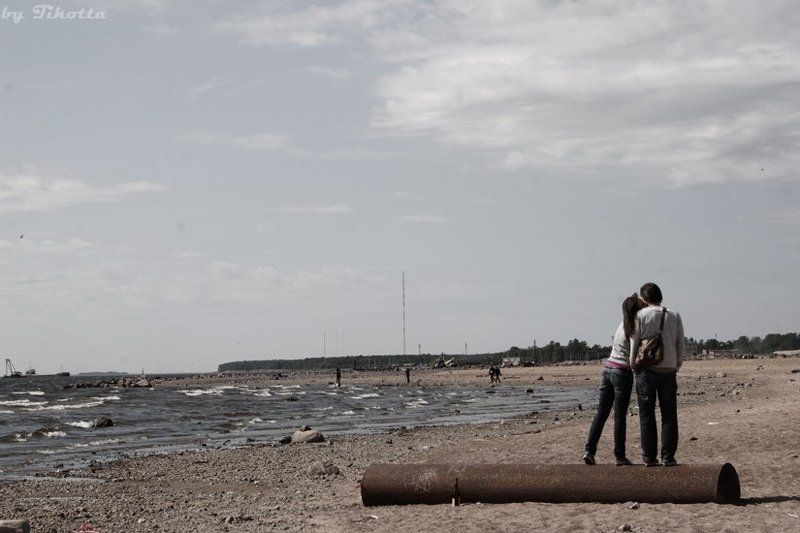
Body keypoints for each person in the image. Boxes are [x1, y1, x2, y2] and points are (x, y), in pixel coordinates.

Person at [583, 294, 645, 466]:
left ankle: (589, 450)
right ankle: (619, 456)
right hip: (621, 373)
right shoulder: (634, 327)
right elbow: (632, 356)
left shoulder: (621, 325)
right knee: (619, 417)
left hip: (607, 370)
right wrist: (637, 369)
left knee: (601, 413)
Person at [630, 282, 685, 467]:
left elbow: (635, 342)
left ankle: (649, 457)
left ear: (644, 298)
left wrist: (632, 365)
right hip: (668, 370)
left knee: (647, 415)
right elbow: (680, 343)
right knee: (669, 415)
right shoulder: (674, 315)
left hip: (647, 370)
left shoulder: (640, 315)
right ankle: (668, 457)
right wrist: (677, 364)